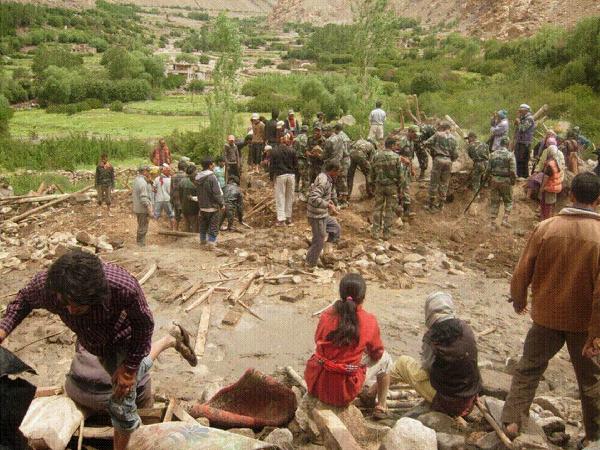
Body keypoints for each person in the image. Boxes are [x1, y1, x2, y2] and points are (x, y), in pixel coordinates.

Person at [0, 251, 155, 450]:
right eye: (65, 304)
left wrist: (129, 368)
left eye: (79, 306)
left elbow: (144, 325)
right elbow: (24, 300)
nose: (70, 311)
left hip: (122, 338)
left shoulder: (122, 287)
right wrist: (3, 330)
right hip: (90, 340)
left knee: (121, 404)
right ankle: (169, 339)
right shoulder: (48, 285)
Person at [502, 172, 600, 448]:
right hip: (582, 325)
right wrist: (596, 333)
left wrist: (519, 299)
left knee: (528, 369)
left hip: (546, 316)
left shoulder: (546, 227)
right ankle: (595, 435)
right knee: (591, 381)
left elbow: (523, 270)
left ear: (570, 195)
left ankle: (511, 421)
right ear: (598, 201)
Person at [304, 273, 392, 419]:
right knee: (386, 359)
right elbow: (377, 353)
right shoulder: (369, 320)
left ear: (341, 294)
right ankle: (381, 406)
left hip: (317, 383)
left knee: (321, 352)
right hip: (343, 391)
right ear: (363, 297)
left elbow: (317, 339)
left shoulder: (327, 315)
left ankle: (370, 393)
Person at [65, 322, 197, 415]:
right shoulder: (128, 314)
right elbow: (138, 357)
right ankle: (168, 340)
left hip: (77, 390)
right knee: (137, 372)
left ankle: (169, 340)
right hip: (114, 395)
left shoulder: (81, 310)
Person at [389, 292, 481, 417]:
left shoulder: (432, 337)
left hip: (447, 403)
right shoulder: (466, 329)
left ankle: (375, 394)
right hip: (469, 398)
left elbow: (426, 368)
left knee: (402, 363)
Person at [306, 162, 341, 269]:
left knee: (335, 228)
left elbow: (323, 196)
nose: (339, 174)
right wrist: (328, 206)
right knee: (319, 241)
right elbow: (314, 198)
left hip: (323, 214)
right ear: (333, 171)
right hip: (316, 216)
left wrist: (329, 202)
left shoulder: (327, 179)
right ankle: (310, 264)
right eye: (338, 172)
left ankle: (326, 253)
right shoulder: (323, 181)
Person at [370, 137, 405, 239]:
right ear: (392, 145)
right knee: (389, 210)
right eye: (396, 145)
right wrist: (400, 188)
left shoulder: (376, 156)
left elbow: (372, 172)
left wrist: (372, 184)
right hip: (392, 187)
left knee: (377, 209)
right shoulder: (396, 157)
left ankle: (375, 232)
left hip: (379, 186)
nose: (396, 146)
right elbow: (401, 176)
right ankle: (386, 233)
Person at [425, 121, 458, 213]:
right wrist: (451, 160)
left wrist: (433, 152)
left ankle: (430, 205)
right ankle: (441, 205)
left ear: (442, 128)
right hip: (448, 161)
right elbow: (455, 154)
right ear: (449, 129)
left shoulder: (438, 135)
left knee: (434, 182)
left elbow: (426, 143)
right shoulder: (454, 138)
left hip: (438, 159)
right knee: (444, 183)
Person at [488, 136, 517, 229]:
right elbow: (513, 171)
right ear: (508, 144)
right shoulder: (510, 155)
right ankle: (504, 220)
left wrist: (486, 179)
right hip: (506, 181)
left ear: (500, 144)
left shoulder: (492, 154)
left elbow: (488, 169)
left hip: (494, 180)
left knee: (494, 201)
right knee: (508, 201)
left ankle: (492, 222)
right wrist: (513, 181)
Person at [196, 158, 224, 250]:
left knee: (203, 225)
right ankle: (211, 243)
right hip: (213, 206)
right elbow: (216, 193)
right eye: (213, 164)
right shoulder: (212, 177)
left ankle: (202, 241)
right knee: (213, 225)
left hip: (202, 206)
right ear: (209, 165)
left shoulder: (197, 177)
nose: (214, 166)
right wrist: (222, 204)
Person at [270, 133, 298, 226]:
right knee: (290, 197)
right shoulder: (292, 151)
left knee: (280, 197)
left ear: (279, 140)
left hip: (280, 175)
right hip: (291, 175)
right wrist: (296, 176)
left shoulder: (274, 151)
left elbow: (272, 166)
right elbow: (296, 165)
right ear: (286, 140)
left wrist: (271, 178)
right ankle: (288, 218)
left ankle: (281, 219)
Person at [397, 126, 419, 217]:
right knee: (404, 187)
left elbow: (410, 157)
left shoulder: (412, 142)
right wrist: (403, 159)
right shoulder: (403, 140)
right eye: (414, 134)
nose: (416, 136)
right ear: (410, 132)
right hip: (400, 167)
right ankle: (405, 210)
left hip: (406, 167)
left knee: (405, 186)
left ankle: (403, 208)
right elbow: (394, 154)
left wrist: (412, 169)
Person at [322, 125, 347, 207]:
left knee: (328, 184)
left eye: (325, 131)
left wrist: (318, 154)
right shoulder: (340, 138)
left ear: (329, 131)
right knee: (335, 184)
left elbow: (324, 156)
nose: (323, 133)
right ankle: (338, 203)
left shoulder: (329, 141)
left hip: (330, 165)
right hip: (338, 163)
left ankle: (329, 203)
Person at [539, 145, 563, 220]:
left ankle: (546, 220)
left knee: (547, 205)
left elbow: (546, 177)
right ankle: (551, 218)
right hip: (556, 186)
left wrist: (542, 188)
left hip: (549, 187)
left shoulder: (550, 164)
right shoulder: (558, 161)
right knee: (552, 204)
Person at [514, 104, 536, 178]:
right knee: (518, 158)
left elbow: (523, 129)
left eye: (521, 111)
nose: (520, 112)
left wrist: (518, 122)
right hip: (520, 141)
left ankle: (523, 176)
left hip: (525, 143)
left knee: (522, 159)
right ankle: (520, 175)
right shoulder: (522, 118)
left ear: (525, 111)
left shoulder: (529, 119)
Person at [132, 165, 152, 247]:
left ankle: (139, 242)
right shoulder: (143, 183)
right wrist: (149, 209)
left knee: (141, 225)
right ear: (144, 172)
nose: (149, 173)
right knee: (143, 227)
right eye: (148, 171)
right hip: (142, 209)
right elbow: (144, 198)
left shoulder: (137, 180)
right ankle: (141, 244)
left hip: (137, 207)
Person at [153, 165, 176, 230]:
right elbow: (172, 191)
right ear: (165, 171)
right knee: (171, 215)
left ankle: (154, 229)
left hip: (158, 199)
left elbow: (153, 189)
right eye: (169, 170)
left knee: (156, 215)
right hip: (168, 199)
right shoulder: (170, 179)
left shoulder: (157, 179)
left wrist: (157, 191)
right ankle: (173, 230)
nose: (170, 171)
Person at [179, 164, 199, 233]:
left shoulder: (182, 181)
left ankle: (186, 240)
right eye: (196, 171)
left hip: (184, 207)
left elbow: (180, 196)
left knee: (187, 224)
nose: (197, 173)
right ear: (193, 172)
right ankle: (193, 241)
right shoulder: (195, 183)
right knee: (194, 225)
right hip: (193, 208)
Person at [170, 159, 188, 230]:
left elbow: (171, 189)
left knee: (176, 217)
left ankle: (175, 231)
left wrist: (171, 199)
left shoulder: (173, 176)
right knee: (186, 217)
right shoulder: (186, 176)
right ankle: (185, 232)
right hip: (184, 200)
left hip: (176, 199)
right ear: (184, 168)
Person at [294, 125, 310, 198]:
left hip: (296, 158)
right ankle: (304, 190)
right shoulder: (306, 138)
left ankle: (296, 187)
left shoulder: (296, 138)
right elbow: (307, 150)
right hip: (303, 159)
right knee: (305, 176)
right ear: (307, 131)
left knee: (297, 174)